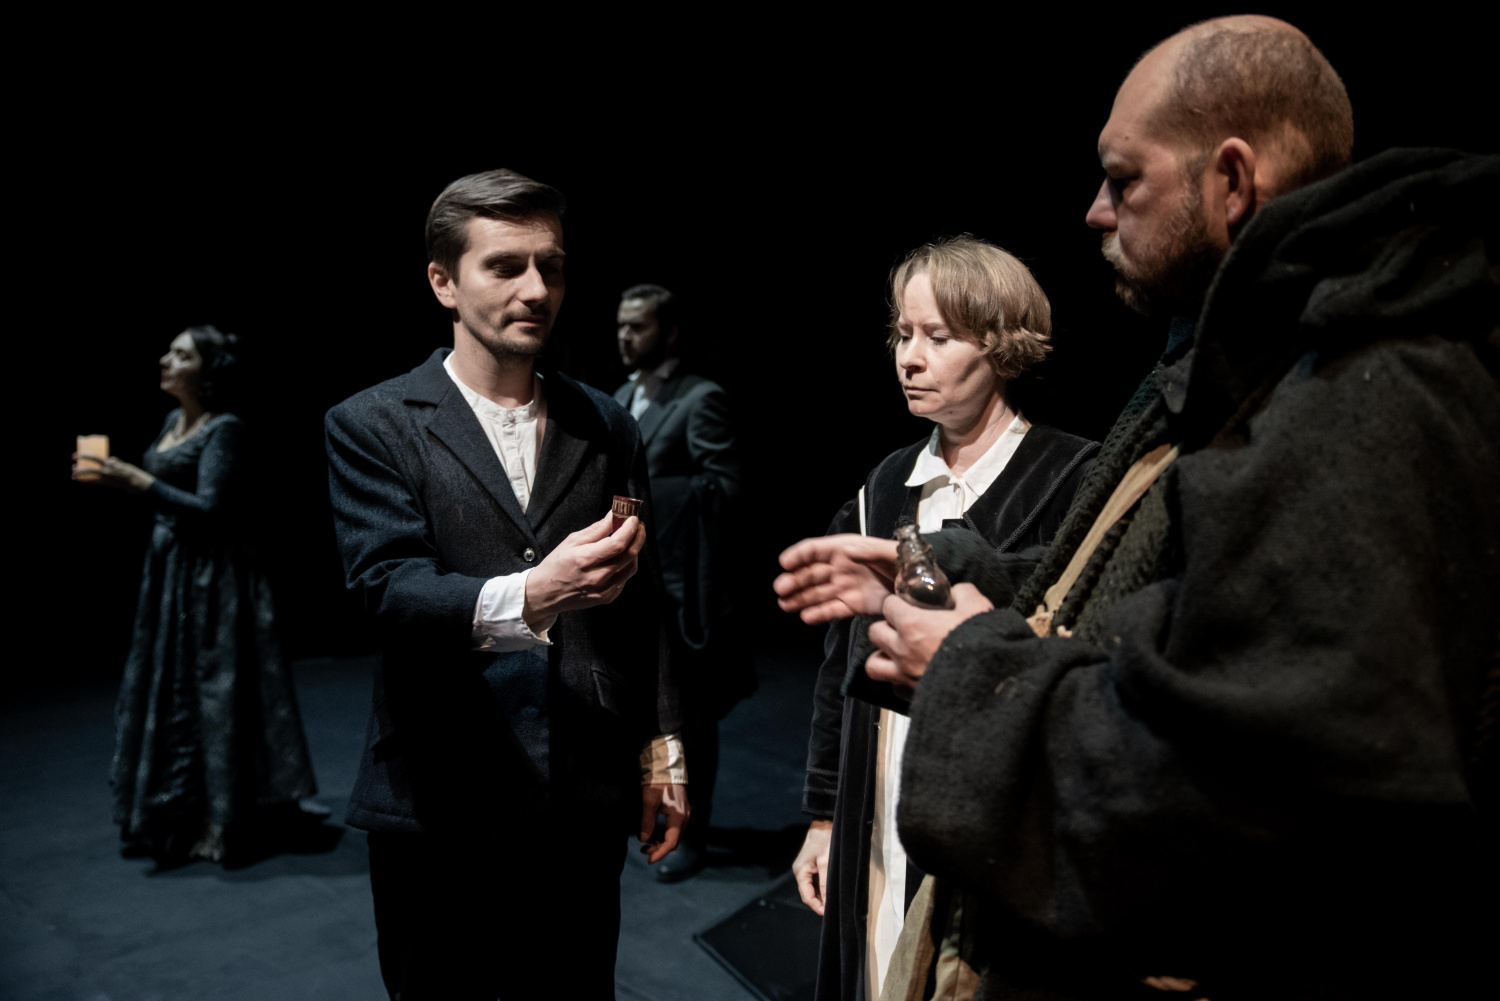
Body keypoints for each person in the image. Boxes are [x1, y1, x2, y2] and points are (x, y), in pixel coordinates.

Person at [777, 16, 1498, 998]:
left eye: (1124, 180)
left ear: (1232, 180)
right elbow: (1147, 611)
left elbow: (1263, 787)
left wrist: (974, 673)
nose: (1094, 211)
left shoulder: (1363, 395)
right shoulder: (1238, 365)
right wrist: (951, 579)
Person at [324, 169, 689, 1000]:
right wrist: (536, 592)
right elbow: (388, 590)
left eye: (550, 266)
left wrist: (662, 747)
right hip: (436, 794)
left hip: (580, 796)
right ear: (443, 282)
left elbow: (644, 603)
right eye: (505, 266)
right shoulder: (372, 422)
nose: (536, 289)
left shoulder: (607, 422)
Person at [782, 236, 1098, 1001]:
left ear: (1002, 345)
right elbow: (840, 666)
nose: (909, 358)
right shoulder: (888, 484)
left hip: (994, 818)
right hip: (882, 800)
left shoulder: (1072, 478)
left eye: (939, 336)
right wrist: (823, 816)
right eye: (902, 334)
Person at [73, 326, 317, 866]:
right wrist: (116, 481)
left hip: (215, 575)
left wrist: (137, 481)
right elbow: (170, 495)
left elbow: (211, 509)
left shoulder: (225, 429)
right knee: (169, 680)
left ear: (207, 372)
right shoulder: (172, 422)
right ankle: (175, 809)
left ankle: (222, 816)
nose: (166, 359)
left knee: (213, 686)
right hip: (172, 572)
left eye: (181, 354)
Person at [613, 283, 748, 882]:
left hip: (679, 590)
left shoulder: (699, 398)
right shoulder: (622, 396)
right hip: (632, 585)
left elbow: (725, 488)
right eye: (620, 326)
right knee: (642, 711)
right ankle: (651, 814)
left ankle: (692, 833)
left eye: (637, 326)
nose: (625, 336)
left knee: (688, 719)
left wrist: (642, 502)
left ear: (668, 333)